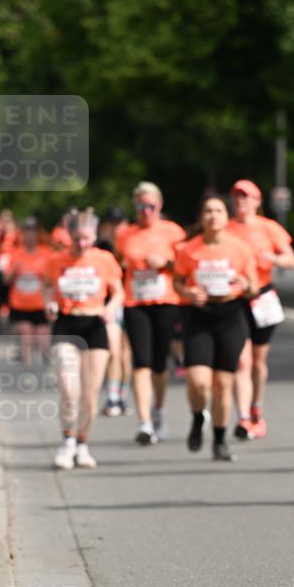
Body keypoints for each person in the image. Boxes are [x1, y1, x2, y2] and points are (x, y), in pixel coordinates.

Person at [173, 195, 258, 462]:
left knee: (223, 383)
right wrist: (188, 292)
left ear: (226, 216)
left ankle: (220, 440)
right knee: (198, 381)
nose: (213, 215)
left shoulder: (240, 248)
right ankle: (199, 416)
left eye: (218, 211)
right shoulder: (189, 249)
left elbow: (254, 286)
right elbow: (177, 281)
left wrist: (245, 285)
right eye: (208, 211)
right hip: (199, 316)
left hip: (230, 316)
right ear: (201, 218)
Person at [45, 209, 124, 470]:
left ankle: (82, 443)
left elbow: (118, 292)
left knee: (90, 394)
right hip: (66, 324)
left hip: (95, 325)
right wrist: (49, 303)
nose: (82, 244)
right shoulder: (57, 260)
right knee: (70, 390)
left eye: (87, 238)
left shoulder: (105, 259)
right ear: (69, 236)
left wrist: (111, 308)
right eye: (77, 238)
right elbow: (47, 287)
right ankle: (67, 442)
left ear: (95, 235)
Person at [116, 182, 186, 444]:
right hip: (135, 303)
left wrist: (166, 263)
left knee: (158, 364)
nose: (146, 211)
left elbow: (187, 264)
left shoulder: (172, 232)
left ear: (160, 205)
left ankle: (159, 410)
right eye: (141, 206)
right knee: (140, 362)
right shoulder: (125, 234)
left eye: (151, 206)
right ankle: (144, 422)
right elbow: (117, 264)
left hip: (166, 302)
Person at [228, 179, 294, 439]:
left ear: (257, 201)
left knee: (258, 360)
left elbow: (291, 260)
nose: (241, 201)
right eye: (237, 196)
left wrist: (275, 258)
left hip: (262, 298)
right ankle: (243, 418)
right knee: (241, 360)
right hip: (235, 299)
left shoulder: (269, 228)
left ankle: (256, 407)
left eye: (246, 197)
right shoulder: (226, 228)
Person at [96, 207, 133, 417]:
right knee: (114, 351)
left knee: (127, 355)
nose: (117, 228)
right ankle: (112, 396)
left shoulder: (133, 245)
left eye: (120, 223)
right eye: (113, 224)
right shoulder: (101, 248)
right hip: (112, 303)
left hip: (134, 303)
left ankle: (122, 396)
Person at [4, 217, 52, 367]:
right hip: (20, 305)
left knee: (42, 342)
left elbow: (52, 280)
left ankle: (48, 370)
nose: (30, 235)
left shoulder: (46, 254)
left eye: (33, 232)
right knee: (26, 338)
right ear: (22, 234)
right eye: (27, 232)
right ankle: (27, 371)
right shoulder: (15, 254)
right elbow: (5, 280)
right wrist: (14, 271)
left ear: (38, 234)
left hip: (40, 305)